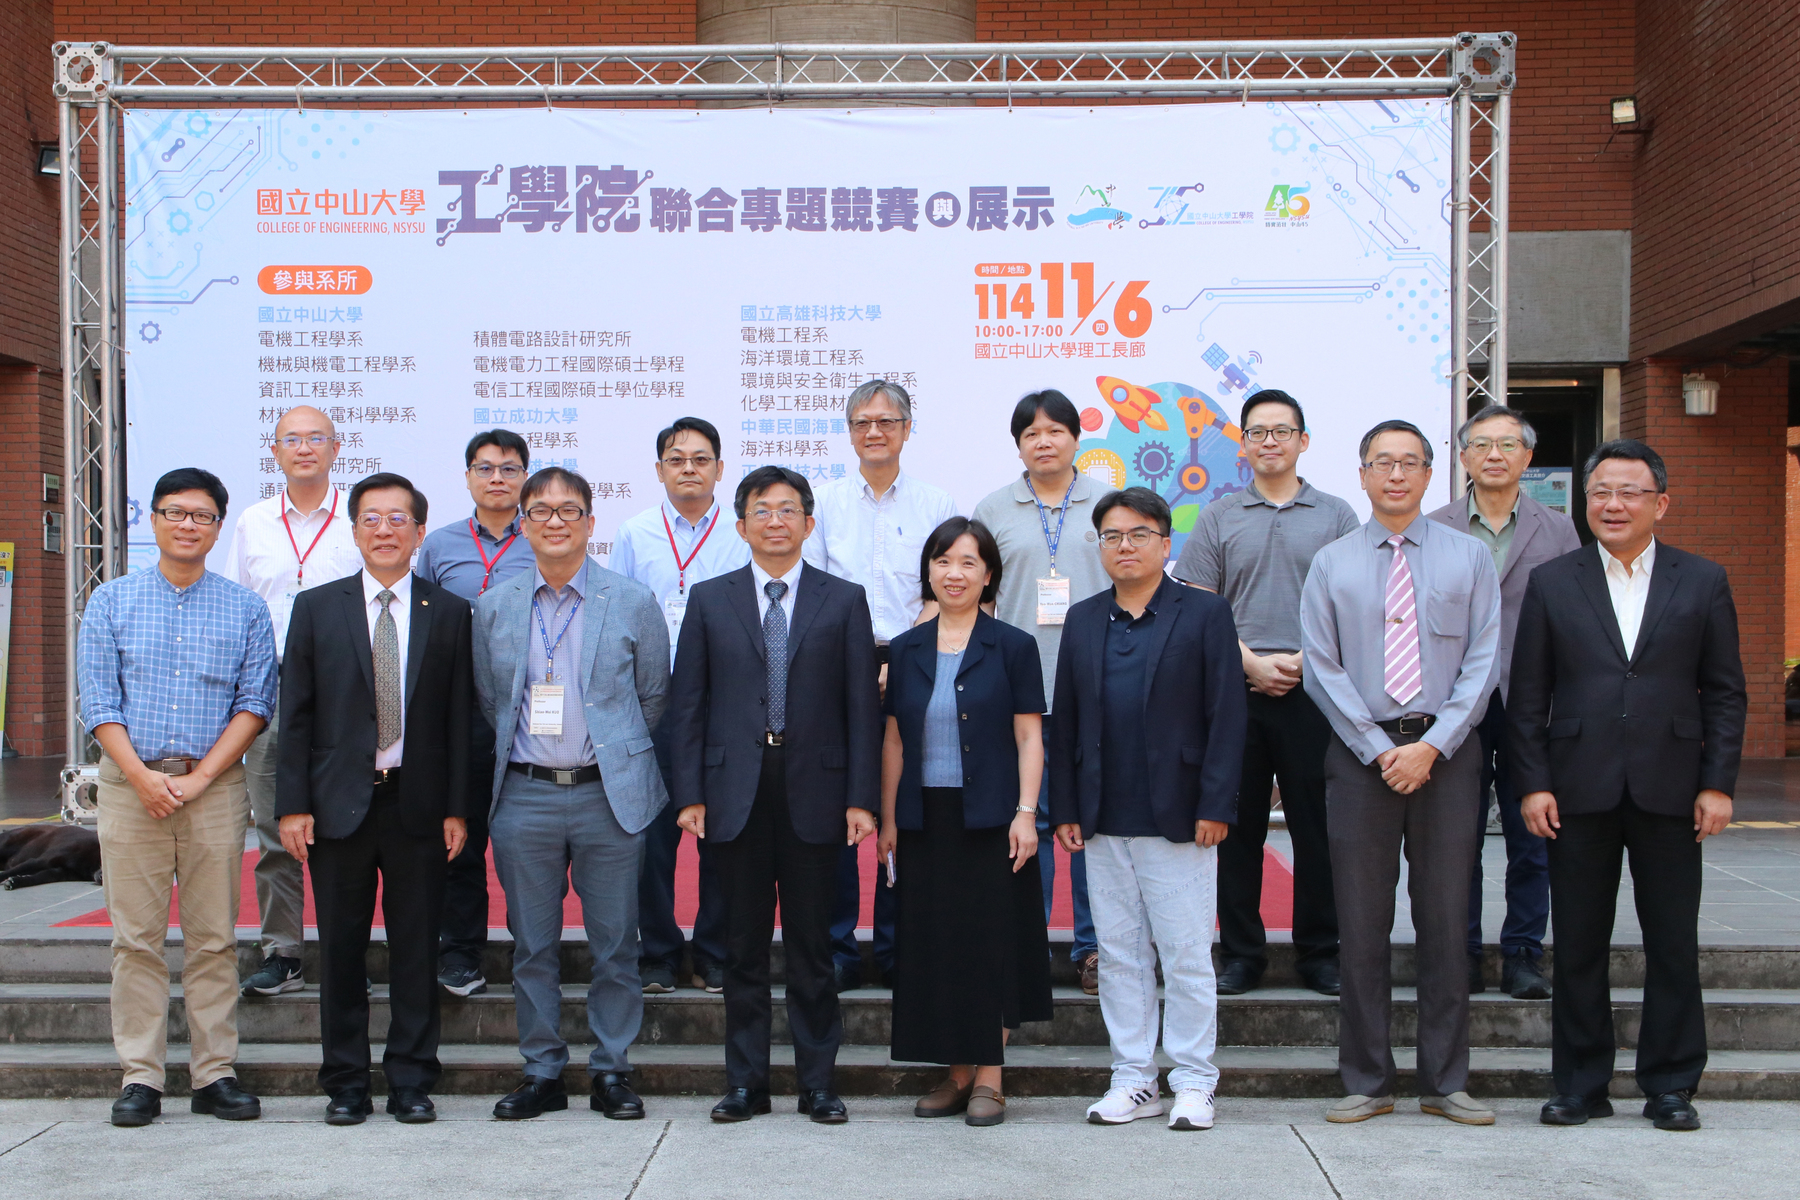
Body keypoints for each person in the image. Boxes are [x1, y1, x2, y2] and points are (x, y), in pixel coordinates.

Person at [1511, 439, 1745, 1132]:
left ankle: (1670, 1084)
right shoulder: (1554, 581)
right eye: (1600, 493)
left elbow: (1726, 693)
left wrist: (1718, 782)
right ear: (1586, 504)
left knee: (1672, 941)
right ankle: (1579, 1084)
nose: (1613, 505)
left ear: (1660, 503)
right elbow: (1529, 695)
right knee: (1578, 942)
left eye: (1629, 492)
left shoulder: (1702, 580)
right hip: (1576, 789)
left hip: (1673, 790)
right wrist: (1533, 783)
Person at [1300, 419, 1501, 1127]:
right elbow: (1320, 667)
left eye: (1410, 463)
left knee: (1446, 920)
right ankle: (1367, 1079)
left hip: (1446, 757)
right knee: (1361, 922)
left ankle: (1447, 1081)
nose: (1395, 475)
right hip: (1362, 760)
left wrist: (1434, 745)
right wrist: (1377, 747)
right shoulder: (1332, 562)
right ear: (1361, 474)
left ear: (1428, 475)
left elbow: (1483, 662)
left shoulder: (1468, 557)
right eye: (1382, 463)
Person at [665, 466, 880, 1125]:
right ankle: (745, 1084)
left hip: (817, 791)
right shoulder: (710, 599)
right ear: (742, 526)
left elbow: (861, 712)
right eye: (762, 510)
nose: (776, 520)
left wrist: (861, 797)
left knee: (814, 950)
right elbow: (689, 705)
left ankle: (818, 1083)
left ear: (809, 525)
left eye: (789, 509)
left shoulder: (843, 600)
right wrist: (690, 793)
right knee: (742, 948)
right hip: (735, 794)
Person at [78, 468, 277, 1127]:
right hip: (130, 785)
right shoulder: (111, 600)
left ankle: (213, 1073)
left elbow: (254, 704)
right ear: (154, 521)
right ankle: (141, 1077)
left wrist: (197, 779)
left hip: (213, 789)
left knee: (214, 939)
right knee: (134, 939)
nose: (189, 524)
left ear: (220, 528)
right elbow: (100, 702)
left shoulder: (245, 608)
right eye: (175, 512)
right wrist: (141, 777)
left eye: (203, 516)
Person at [276, 473, 473, 1126]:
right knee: (340, 950)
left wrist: (455, 807)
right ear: (354, 530)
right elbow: (296, 716)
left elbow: (457, 718)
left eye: (398, 519)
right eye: (371, 519)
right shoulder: (317, 608)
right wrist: (292, 804)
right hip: (337, 809)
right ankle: (345, 1084)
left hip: (417, 807)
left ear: (419, 533)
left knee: (417, 949)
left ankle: (413, 1080)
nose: (384, 530)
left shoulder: (446, 611)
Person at [474, 467, 671, 1121]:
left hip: (606, 795)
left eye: (569, 510)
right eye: (541, 511)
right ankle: (543, 1071)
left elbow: (653, 697)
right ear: (523, 523)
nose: (554, 521)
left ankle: (612, 1070)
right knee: (532, 943)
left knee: (617, 942)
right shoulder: (496, 604)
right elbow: (488, 700)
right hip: (524, 795)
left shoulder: (632, 599)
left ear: (591, 522)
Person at [1048, 488, 1245, 1131]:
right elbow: (1067, 720)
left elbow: (1226, 716)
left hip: (1181, 815)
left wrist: (1217, 802)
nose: (1124, 545)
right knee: (1120, 953)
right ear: (1098, 545)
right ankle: (1134, 1079)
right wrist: (1068, 806)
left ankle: (1194, 1079)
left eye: (1138, 534)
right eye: (1111, 535)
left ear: (1166, 541)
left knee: (1186, 952)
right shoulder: (1082, 619)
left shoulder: (1205, 613)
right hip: (1104, 815)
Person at [1171, 389, 1358, 998]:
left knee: (1316, 826)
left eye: (1282, 431)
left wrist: (1307, 660)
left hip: (1315, 690)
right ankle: (1243, 953)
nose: (1269, 441)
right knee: (1239, 826)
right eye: (1258, 432)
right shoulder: (1219, 515)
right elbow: (1200, 604)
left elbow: (1350, 602)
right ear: (1242, 443)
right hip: (1237, 690)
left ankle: (1321, 952)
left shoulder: (1335, 515)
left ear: (1303, 441)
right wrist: (1248, 661)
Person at [879, 516, 1050, 1127]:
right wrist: (890, 819)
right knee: (936, 947)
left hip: (993, 819)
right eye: (944, 561)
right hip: (925, 820)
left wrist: (1027, 814)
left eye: (969, 563)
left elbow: (1030, 736)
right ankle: (954, 1076)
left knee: (991, 947)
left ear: (989, 576)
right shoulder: (905, 649)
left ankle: (991, 1079)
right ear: (928, 570)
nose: (955, 573)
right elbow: (894, 740)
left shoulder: (1013, 646)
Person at [807, 380, 958, 993]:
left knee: (907, 807)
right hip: (833, 664)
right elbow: (812, 589)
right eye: (864, 422)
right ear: (849, 432)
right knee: (836, 805)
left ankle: (902, 946)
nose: (875, 431)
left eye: (888, 421)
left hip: (917, 660)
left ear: (906, 429)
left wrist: (902, 657)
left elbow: (943, 588)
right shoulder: (822, 502)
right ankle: (839, 948)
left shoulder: (935, 502)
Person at [1427, 405, 1579, 1000]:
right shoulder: (1434, 526)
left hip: (1531, 699)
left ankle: (1522, 953)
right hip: (1454, 701)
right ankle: (1460, 951)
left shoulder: (1560, 529)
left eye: (1508, 444)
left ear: (1527, 457)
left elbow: (1570, 618)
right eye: (1482, 444)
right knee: (1455, 834)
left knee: (1531, 831)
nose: (1495, 454)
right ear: (1463, 458)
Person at [971, 389, 1111, 994]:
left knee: (1092, 824)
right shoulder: (994, 508)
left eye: (1055, 430)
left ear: (1077, 438)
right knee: (1029, 820)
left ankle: (1093, 948)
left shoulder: (1108, 505)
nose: (1044, 441)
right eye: (1031, 433)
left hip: (1097, 688)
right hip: (1018, 691)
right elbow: (974, 595)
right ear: (1019, 445)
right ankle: (1027, 943)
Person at [223, 405, 365, 999]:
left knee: (347, 820)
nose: (304, 448)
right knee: (273, 824)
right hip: (270, 688)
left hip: (346, 692)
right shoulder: (253, 522)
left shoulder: (361, 519)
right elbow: (235, 606)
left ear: (337, 449)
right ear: (275, 451)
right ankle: (282, 950)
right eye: (291, 439)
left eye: (316, 438)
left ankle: (343, 944)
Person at [611, 416, 749, 996]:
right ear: (660, 469)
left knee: (725, 830)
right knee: (651, 836)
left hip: (728, 701)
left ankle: (716, 951)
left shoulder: (742, 532)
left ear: (719, 468)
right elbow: (614, 614)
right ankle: (659, 954)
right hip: (654, 702)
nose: (688, 468)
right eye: (676, 458)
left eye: (700, 458)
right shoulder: (635, 532)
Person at [414, 429, 535, 999]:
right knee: (458, 835)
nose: (497, 479)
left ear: (524, 479)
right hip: (455, 710)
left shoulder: (545, 537)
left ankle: (532, 949)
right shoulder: (437, 545)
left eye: (509, 469)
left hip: (527, 706)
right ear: (467, 478)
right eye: (485, 469)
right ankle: (460, 953)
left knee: (525, 836)